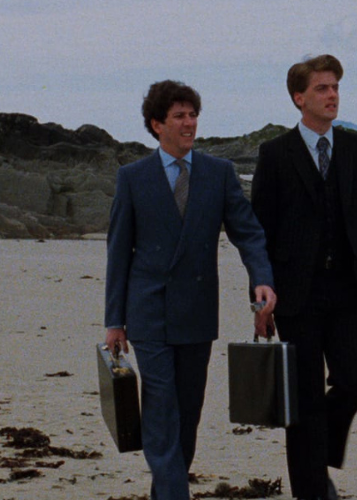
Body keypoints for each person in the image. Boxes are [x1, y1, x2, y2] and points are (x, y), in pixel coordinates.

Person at [104, 80, 277, 500]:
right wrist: (114, 321)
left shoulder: (219, 173)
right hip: (149, 313)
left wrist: (262, 277)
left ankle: (166, 488)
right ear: (156, 124)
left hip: (198, 313)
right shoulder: (133, 178)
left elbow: (248, 232)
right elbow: (118, 253)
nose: (189, 123)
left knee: (188, 412)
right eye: (179, 116)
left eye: (193, 114)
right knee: (161, 408)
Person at [250, 55, 357, 500]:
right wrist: (262, 301)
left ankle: (316, 454)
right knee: (304, 398)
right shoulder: (274, 154)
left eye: (335, 88)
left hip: (348, 292)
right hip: (296, 296)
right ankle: (311, 490)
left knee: (352, 380)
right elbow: (260, 233)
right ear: (299, 98)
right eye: (323, 88)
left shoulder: (355, 149)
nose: (332, 95)